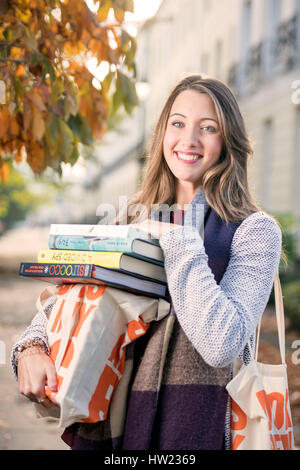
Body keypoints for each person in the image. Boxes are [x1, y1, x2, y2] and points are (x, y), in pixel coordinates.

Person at [11, 74, 282, 450]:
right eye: (178, 123)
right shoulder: (130, 218)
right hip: (119, 428)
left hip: (197, 433)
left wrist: (179, 238)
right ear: (162, 134)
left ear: (227, 141)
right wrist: (31, 348)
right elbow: (68, 301)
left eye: (208, 128)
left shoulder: (254, 231)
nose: (189, 140)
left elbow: (223, 343)